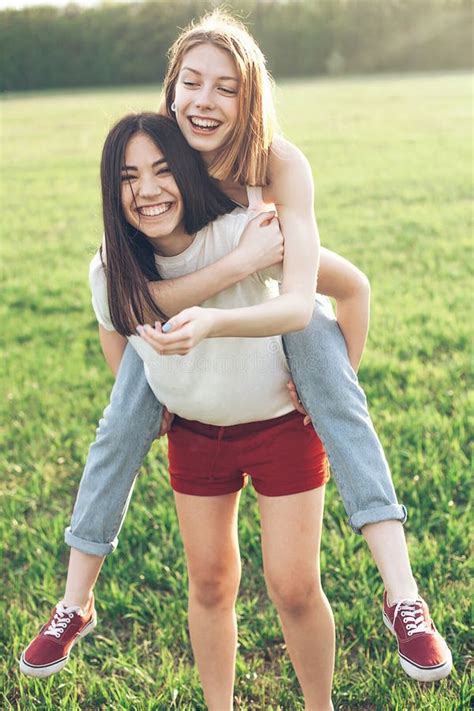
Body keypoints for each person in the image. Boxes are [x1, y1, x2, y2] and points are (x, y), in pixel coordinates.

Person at [20, 10, 452, 685]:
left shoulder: (266, 187)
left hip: (278, 389)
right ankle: (76, 600)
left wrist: (325, 384)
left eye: (226, 87)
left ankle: (402, 593)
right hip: (195, 411)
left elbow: (345, 288)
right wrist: (156, 387)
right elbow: (119, 312)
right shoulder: (150, 199)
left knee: (309, 337)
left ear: (250, 97)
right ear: (169, 95)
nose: (205, 100)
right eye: (191, 83)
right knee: (138, 415)